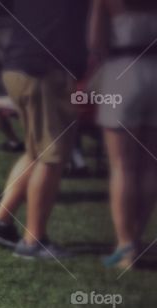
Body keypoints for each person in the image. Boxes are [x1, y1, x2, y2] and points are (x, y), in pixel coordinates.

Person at [0, 0, 91, 260]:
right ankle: (33, 241)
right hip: (45, 71)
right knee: (53, 155)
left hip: (19, 67)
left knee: (35, 153)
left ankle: (1, 223)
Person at [89, 0, 157, 269]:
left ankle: (125, 247)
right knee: (150, 166)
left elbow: (95, 41)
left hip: (123, 72)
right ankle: (136, 239)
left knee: (122, 167)